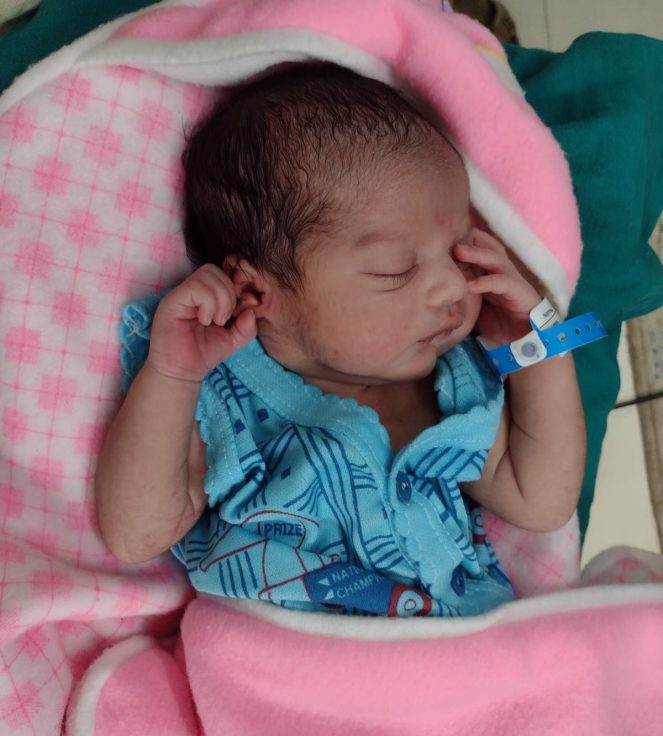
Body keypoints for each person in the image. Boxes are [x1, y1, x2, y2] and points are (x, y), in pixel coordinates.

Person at [95, 63, 585, 617]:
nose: (453, 286)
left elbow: (541, 501)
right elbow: (135, 536)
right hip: (279, 654)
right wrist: (173, 375)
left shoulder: (453, 387)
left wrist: (534, 343)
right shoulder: (221, 392)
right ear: (255, 291)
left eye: (459, 252)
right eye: (396, 269)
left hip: (454, 649)